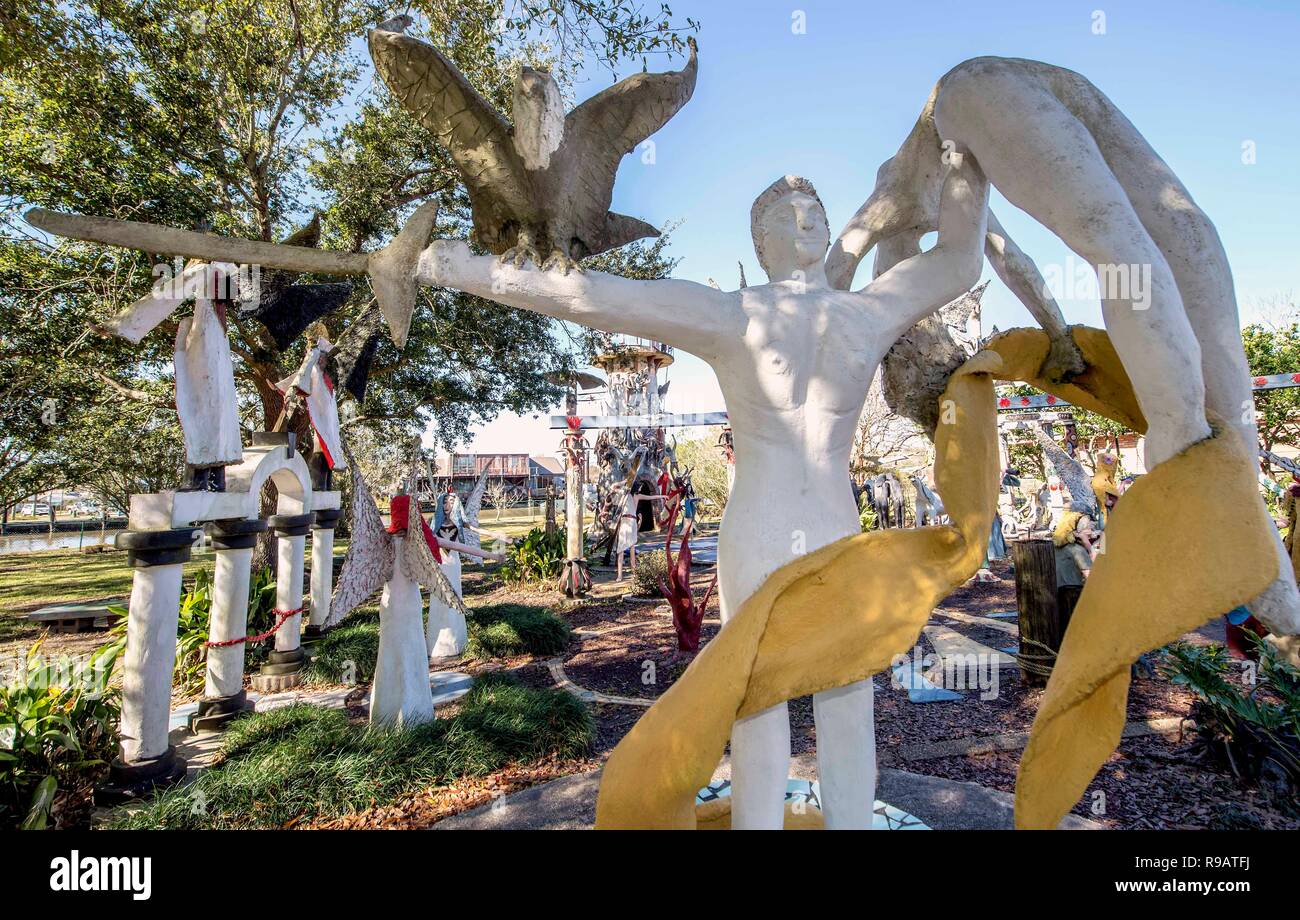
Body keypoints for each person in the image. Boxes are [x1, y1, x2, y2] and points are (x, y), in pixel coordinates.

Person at [419, 152, 989, 829]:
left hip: (839, 534)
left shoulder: (865, 313)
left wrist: (964, 158)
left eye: (817, 215)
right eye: (788, 215)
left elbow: (959, 261)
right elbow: (590, 293)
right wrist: (442, 264)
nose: (806, 222)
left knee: (849, 695)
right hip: (760, 533)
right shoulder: (732, 316)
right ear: (761, 241)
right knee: (753, 701)